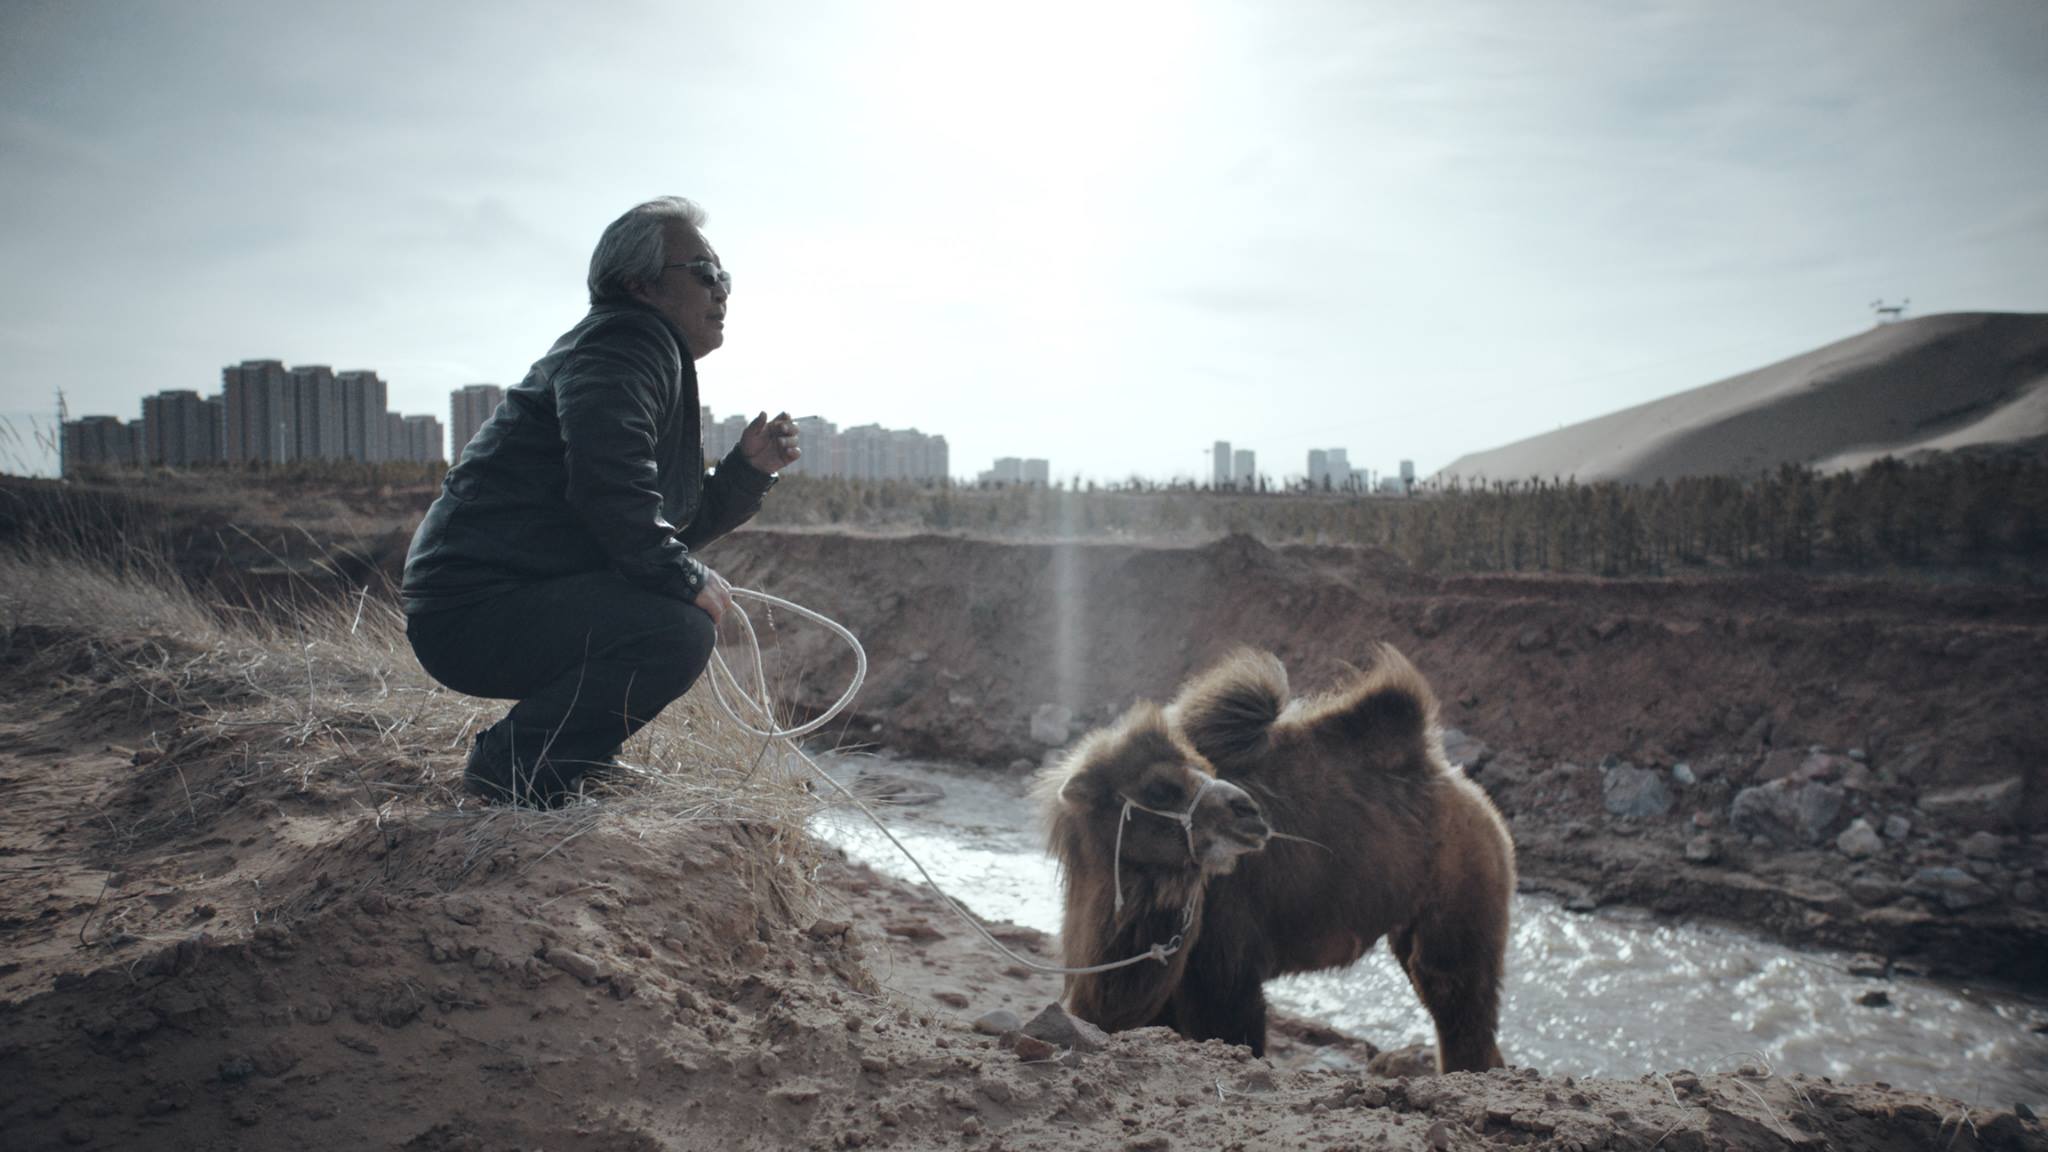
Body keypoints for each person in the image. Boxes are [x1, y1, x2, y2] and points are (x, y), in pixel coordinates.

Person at [401, 196, 800, 807]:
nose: (722, 291)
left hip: (487, 603)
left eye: (725, 276)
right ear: (640, 285)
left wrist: (748, 471)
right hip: (474, 609)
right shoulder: (623, 344)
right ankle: (514, 768)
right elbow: (611, 497)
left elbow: (655, 526)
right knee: (676, 629)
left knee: (670, 612)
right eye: (704, 272)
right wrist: (684, 575)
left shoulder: (639, 350)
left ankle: (558, 757)